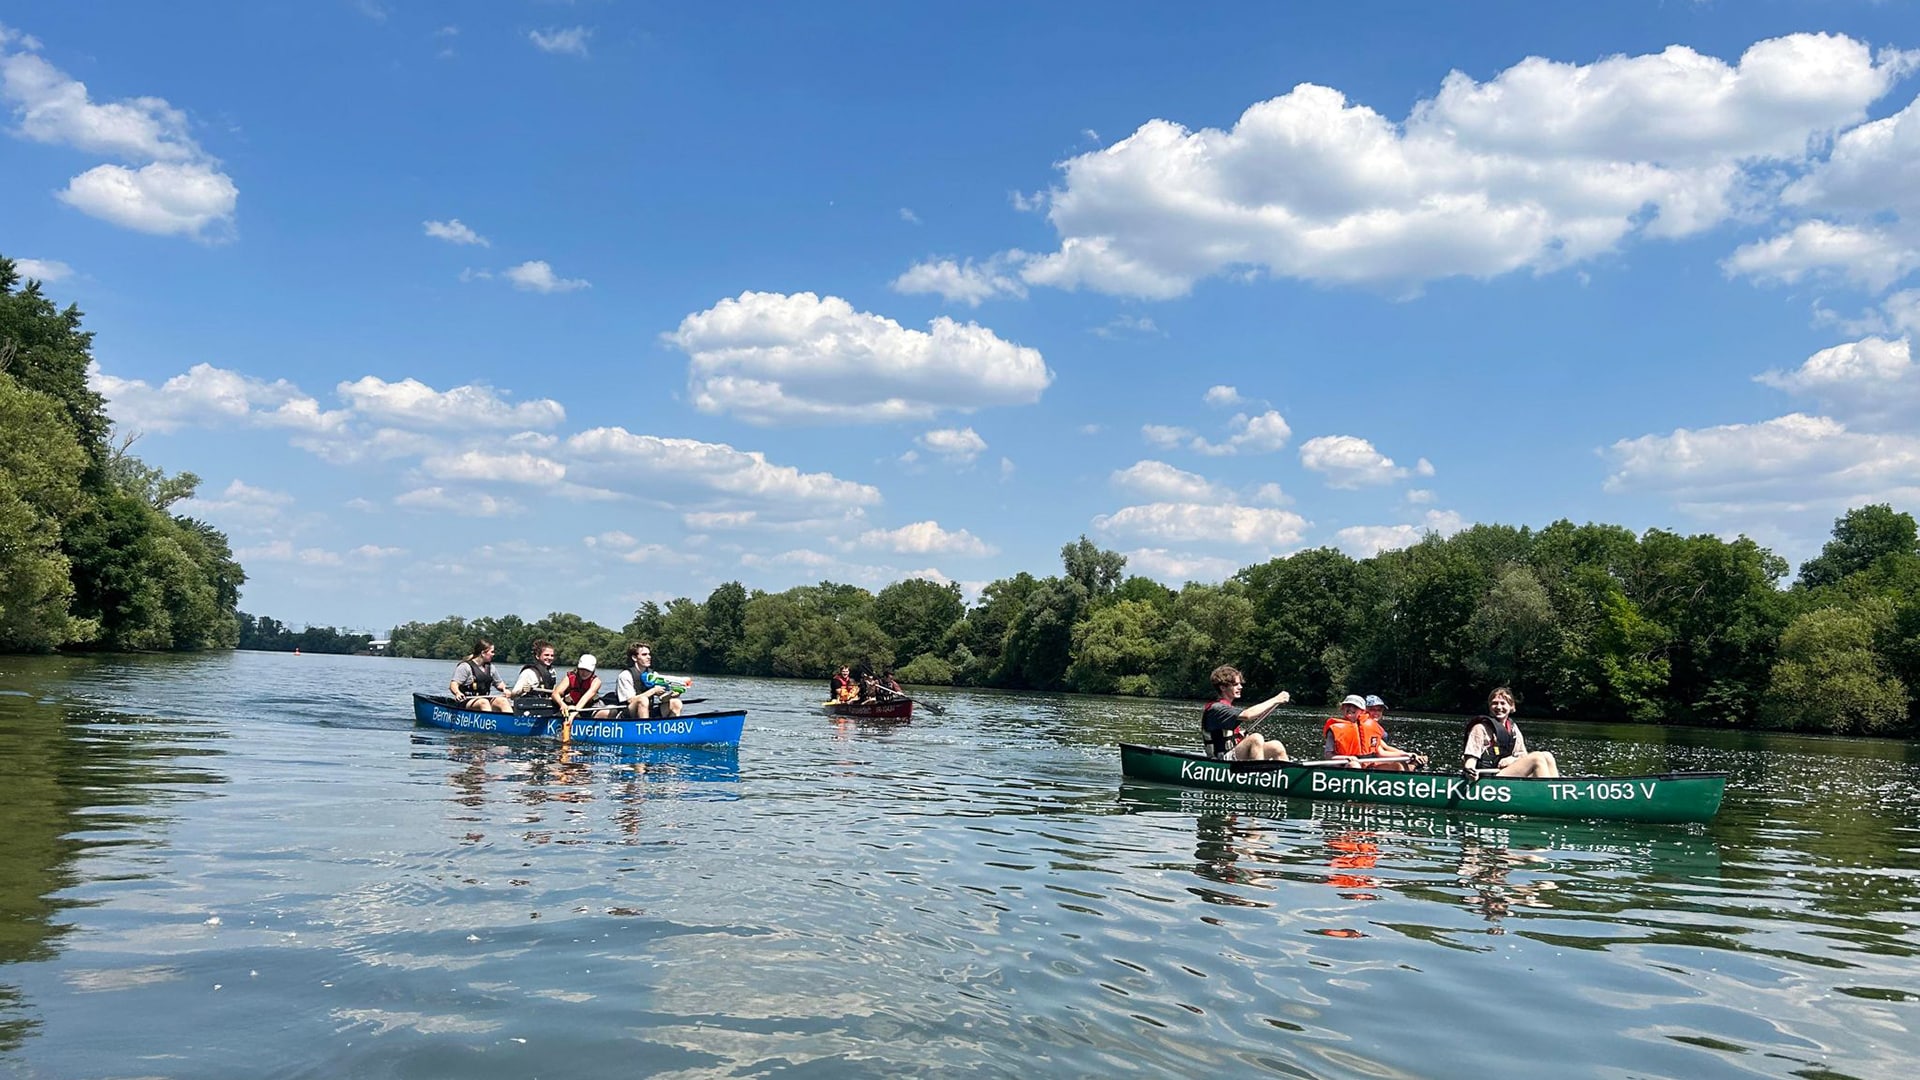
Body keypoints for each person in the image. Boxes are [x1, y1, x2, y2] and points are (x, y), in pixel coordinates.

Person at [1462, 687, 1559, 781]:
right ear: (1490, 706)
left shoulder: (1513, 728)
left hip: (1505, 772)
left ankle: (1555, 789)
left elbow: (1522, 755)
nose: (1499, 707)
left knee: (1547, 756)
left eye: (1503, 703)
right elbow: (1470, 760)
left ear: (1511, 706)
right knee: (1537, 758)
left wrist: (1512, 759)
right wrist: (1470, 772)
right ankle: (1545, 790)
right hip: (1488, 777)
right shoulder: (1479, 728)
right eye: (1494, 703)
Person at [1203, 665, 1290, 760]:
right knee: (1255, 738)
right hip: (1220, 758)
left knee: (1276, 746)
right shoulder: (1217, 708)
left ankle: (1287, 769)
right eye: (1235, 684)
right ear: (1223, 687)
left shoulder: (1226, 707)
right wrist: (1276, 699)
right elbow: (1247, 715)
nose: (1240, 687)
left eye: (1240, 684)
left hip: (1232, 754)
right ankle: (1257, 769)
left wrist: (1237, 736)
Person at [1323, 694, 1426, 770]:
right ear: (1342, 708)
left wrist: (1407, 755)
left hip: (1368, 763)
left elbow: (1381, 751)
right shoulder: (1334, 729)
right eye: (1348, 706)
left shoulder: (1371, 727)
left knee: (1397, 765)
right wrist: (1348, 758)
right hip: (1346, 763)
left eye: (1355, 707)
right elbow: (1328, 755)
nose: (1351, 708)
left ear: (1362, 711)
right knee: (1354, 765)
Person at [615, 642, 688, 719]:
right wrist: (653, 691)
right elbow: (630, 700)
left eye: (649, 654)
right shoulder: (625, 675)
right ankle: (644, 724)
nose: (649, 657)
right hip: (628, 713)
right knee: (643, 700)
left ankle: (672, 725)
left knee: (676, 702)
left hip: (648, 709)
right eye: (644, 655)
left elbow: (662, 699)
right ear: (634, 658)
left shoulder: (654, 674)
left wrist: (672, 694)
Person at [550, 653, 609, 741]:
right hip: (570, 707)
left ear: (593, 670)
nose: (584, 673)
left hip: (590, 708)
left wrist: (574, 713)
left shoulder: (596, 682)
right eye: (582, 669)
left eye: (587, 670)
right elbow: (555, 694)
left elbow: (585, 698)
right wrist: (562, 704)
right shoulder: (570, 677)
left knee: (607, 713)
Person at [449, 637, 512, 712]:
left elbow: (499, 683)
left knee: (503, 701)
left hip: (484, 698)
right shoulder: (465, 667)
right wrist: (457, 693)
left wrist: (505, 689)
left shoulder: (491, 668)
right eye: (492, 652)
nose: (493, 654)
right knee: (483, 702)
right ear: (483, 653)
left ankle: (509, 719)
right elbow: (453, 684)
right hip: (466, 701)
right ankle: (488, 719)